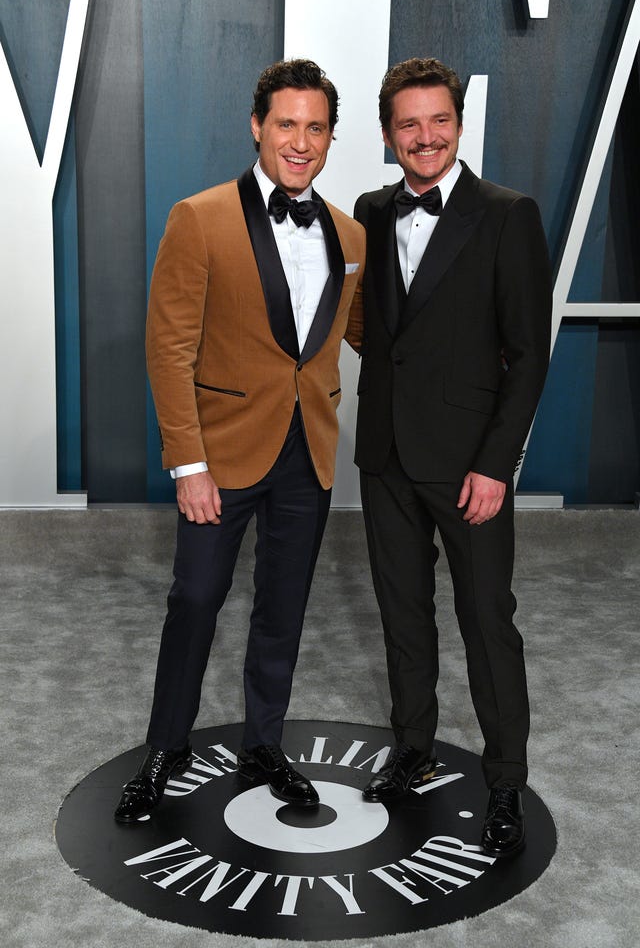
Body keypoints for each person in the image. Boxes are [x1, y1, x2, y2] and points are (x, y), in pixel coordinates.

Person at [115, 59, 364, 823]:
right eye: (286, 124)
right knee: (195, 599)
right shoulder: (200, 217)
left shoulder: (350, 233)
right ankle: (166, 747)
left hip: (308, 450)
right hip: (219, 455)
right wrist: (188, 463)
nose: (300, 141)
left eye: (315, 127)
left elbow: (361, 336)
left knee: (283, 608)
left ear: (331, 137)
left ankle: (264, 743)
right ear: (257, 126)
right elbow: (169, 349)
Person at [352, 57, 551, 857]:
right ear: (388, 134)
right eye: (409, 123)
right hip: (385, 455)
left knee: (486, 621)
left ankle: (505, 781)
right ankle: (413, 748)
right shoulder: (370, 210)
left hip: (470, 462)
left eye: (439, 120)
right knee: (403, 615)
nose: (425, 136)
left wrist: (496, 464)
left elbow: (528, 355)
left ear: (460, 125)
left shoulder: (507, 214)